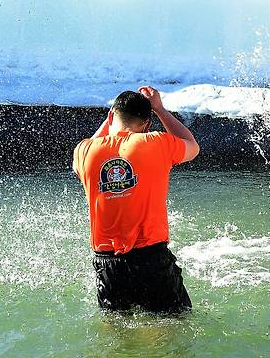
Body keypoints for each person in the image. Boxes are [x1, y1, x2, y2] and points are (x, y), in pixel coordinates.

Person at [73, 86, 200, 313]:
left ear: (111, 116)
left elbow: (92, 145)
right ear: (147, 125)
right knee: (172, 326)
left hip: (107, 264)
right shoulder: (157, 142)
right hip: (151, 259)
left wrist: (110, 118)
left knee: (116, 331)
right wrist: (160, 109)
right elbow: (192, 146)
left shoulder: (84, 151)